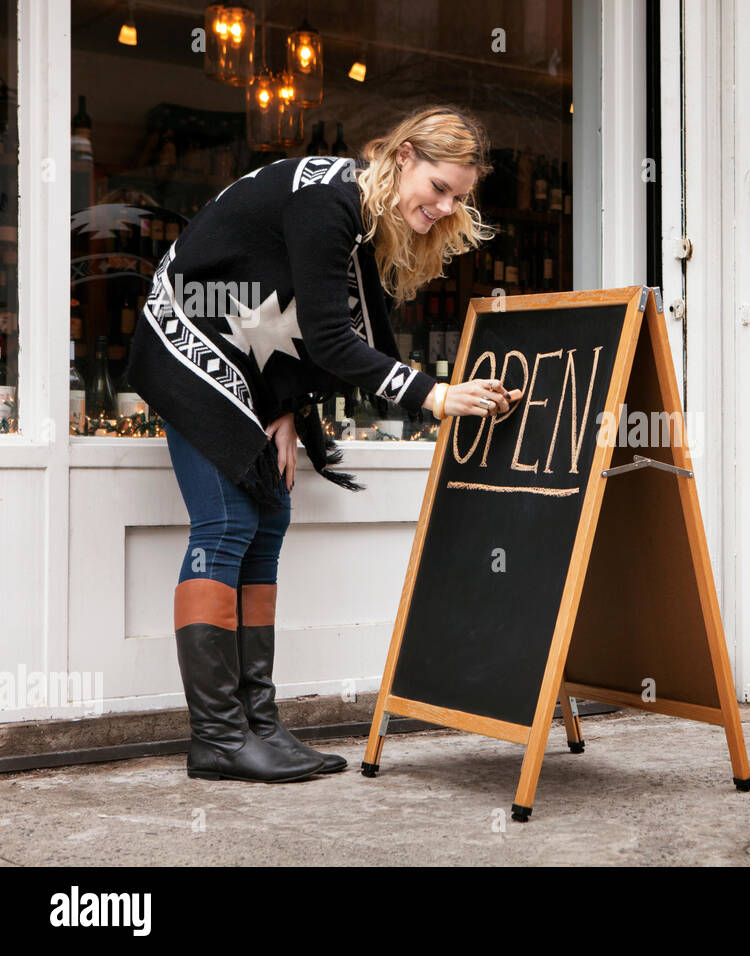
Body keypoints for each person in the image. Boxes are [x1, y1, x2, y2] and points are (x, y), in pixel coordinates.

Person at [127, 105, 523, 783]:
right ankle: (219, 738)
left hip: (242, 360)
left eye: (460, 197)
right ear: (403, 159)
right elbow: (334, 338)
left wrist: (283, 404)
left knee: (269, 517)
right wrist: (436, 395)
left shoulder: (356, 212)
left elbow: (284, 314)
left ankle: (259, 726)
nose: (445, 208)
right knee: (225, 526)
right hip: (186, 344)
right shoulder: (328, 202)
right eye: (438, 189)